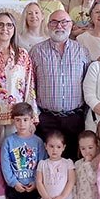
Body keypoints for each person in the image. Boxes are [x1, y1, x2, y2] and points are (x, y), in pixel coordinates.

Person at [30, 9, 90, 159]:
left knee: (74, 163)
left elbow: (88, 84)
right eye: (54, 22)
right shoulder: (36, 51)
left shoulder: (82, 50)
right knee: (46, 165)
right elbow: (30, 86)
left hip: (74, 119)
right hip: (46, 120)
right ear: (48, 25)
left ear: (71, 25)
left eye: (64, 22)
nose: (59, 26)